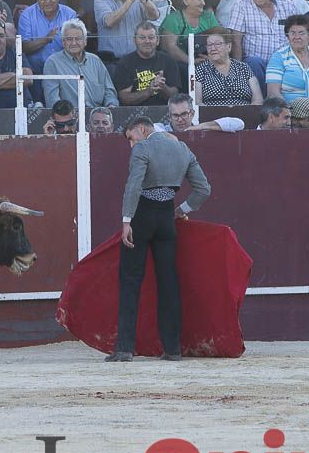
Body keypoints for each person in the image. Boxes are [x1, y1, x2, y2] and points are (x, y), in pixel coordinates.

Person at [107, 115, 212, 363]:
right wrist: (181, 210)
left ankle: (124, 348)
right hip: (167, 219)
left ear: (141, 129)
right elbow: (204, 189)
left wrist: (126, 220)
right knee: (168, 282)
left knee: (131, 280)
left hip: (141, 217)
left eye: (131, 138)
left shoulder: (144, 148)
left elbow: (133, 186)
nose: (131, 145)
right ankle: (173, 348)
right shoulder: (182, 148)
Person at [228, 0, 296, 82]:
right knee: (255, 62)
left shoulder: (287, 4)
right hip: (255, 63)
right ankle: (263, 99)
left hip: (284, 61)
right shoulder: (241, 5)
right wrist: (237, 72)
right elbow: (236, 40)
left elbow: (297, 33)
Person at [42, 19, 118, 108]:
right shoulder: (53, 63)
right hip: (69, 117)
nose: (74, 43)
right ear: (63, 42)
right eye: (69, 39)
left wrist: (111, 105)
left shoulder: (96, 60)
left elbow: (109, 91)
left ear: (85, 41)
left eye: (78, 39)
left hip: (97, 117)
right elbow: (52, 100)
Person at [94, 0, 160, 61]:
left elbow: (154, 16)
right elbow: (109, 21)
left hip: (138, 59)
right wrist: (130, 0)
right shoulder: (100, 1)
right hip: (111, 61)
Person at [266, 14, 309, 104]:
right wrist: (290, 112)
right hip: (288, 113)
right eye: (292, 33)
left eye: (301, 33)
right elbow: (273, 92)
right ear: (287, 36)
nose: (297, 37)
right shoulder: (278, 57)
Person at [114, 22, 181, 107]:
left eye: (151, 37)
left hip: (164, 111)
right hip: (133, 113)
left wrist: (162, 87)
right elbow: (124, 98)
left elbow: (175, 97)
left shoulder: (169, 61)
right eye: (142, 38)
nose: (147, 41)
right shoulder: (124, 63)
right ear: (135, 40)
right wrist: (149, 91)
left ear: (158, 40)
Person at [19, 0, 77, 73]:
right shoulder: (27, 15)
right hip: (36, 70)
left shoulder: (70, 14)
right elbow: (23, 47)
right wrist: (46, 39)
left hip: (63, 69)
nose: (47, 1)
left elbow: (75, 47)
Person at [160, 0, 219, 68]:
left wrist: (212, 58)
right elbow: (171, 48)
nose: (203, 3)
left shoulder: (208, 17)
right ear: (186, 1)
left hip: (208, 61)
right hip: (181, 66)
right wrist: (192, 61)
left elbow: (219, 39)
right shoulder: (172, 19)